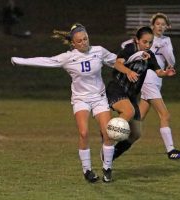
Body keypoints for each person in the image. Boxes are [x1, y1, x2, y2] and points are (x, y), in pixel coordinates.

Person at [11, 23, 118, 183]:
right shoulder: (68, 57)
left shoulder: (99, 51)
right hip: (80, 99)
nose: (84, 42)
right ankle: (87, 170)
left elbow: (118, 61)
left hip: (99, 97)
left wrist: (140, 59)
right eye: (80, 41)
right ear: (73, 44)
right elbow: (45, 61)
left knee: (109, 133)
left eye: (85, 39)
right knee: (83, 133)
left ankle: (107, 168)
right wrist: (20, 61)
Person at [121, 13, 180, 160]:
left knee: (140, 116)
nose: (160, 27)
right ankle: (171, 151)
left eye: (163, 24)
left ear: (167, 27)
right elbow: (125, 45)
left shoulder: (166, 41)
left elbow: (172, 62)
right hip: (148, 80)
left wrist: (166, 50)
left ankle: (117, 136)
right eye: (158, 24)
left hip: (157, 80)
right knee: (165, 115)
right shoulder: (147, 39)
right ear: (153, 25)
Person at [106, 26, 176, 160]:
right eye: (145, 42)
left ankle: (113, 154)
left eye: (150, 42)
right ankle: (107, 139)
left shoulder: (150, 55)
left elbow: (158, 72)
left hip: (131, 95)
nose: (147, 45)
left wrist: (165, 73)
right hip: (117, 89)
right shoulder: (129, 49)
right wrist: (129, 71)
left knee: (136, 134)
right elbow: (118, 64)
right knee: (128, 113)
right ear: (137, 40)